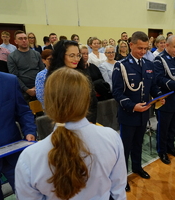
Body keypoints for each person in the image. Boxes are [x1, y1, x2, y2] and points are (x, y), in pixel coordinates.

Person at [15, 67, 127, 200]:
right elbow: (118, 189)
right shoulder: (111, 137)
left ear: (48, 104)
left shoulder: (29, 157)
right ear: (87, 100)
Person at [112, 31, 163, 192]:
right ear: (131, 45)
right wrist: (133, 106)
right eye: (139, 48)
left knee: (138, 143)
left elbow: (152, 86)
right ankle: (122, 176)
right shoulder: (121, 65)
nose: (142, 51)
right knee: (125, 147)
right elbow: (117, 92)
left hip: (144, 113)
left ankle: (136, 167)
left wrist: (159, 96)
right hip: (128, 114)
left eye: (145, 48)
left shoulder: (148, 64)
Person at [0, 68, 36, 200]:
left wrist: (29, 131)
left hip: (13, 153)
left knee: (29, 195)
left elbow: (23, 111)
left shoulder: (9, 80)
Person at [154, 35, 175, 164]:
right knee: (163, 128)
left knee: (174, 126)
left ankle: (170, 147)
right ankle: (162, 151)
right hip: (165, 99)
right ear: (166, 45)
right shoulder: (159, 60)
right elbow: (159, 79)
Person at [46, 40, 98, 124]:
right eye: (72, 56)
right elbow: (53, 105)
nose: (76, 59)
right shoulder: (53, 78)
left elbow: (92, 100)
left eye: (78, 55)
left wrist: (90, 121)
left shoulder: (83, 74)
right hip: (63, 123)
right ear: (61, 56)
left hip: (84, 122)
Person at [7, 30, 45, 102]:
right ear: (15, 41)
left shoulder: (36, 54)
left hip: (39, 87)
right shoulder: (12, 56)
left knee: (42, 112)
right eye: (20, 39)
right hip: (23, 90)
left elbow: (42, 71)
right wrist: (27, 90)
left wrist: (38, 86)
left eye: (25, 38)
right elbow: (14, 76)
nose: (24, 40)